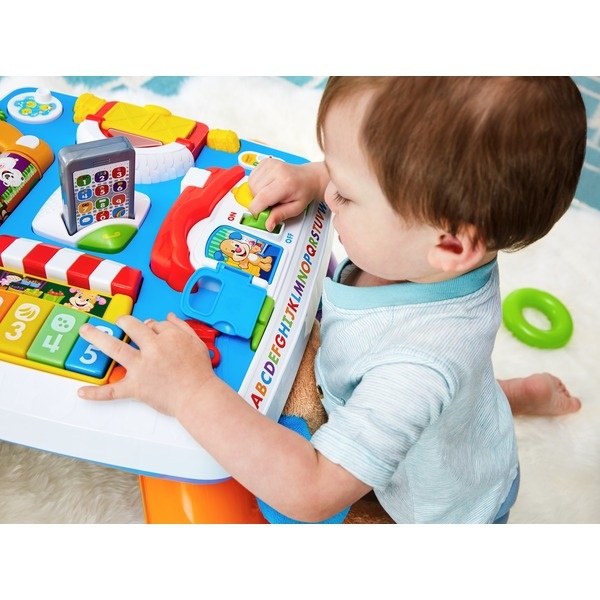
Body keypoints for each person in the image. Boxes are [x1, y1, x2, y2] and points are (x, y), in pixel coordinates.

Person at [77, 77, 586, 523]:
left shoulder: (415, 371)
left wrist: (190, 391)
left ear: (450, 246)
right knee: (457, 404)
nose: (330, 195)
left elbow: (313, 489)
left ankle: (499, 406)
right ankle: (507, 397)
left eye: (346, 192)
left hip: (437, 507)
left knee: (435, 406)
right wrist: (314, 177)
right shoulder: (434, 247)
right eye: (335, 175)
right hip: (449, 415)